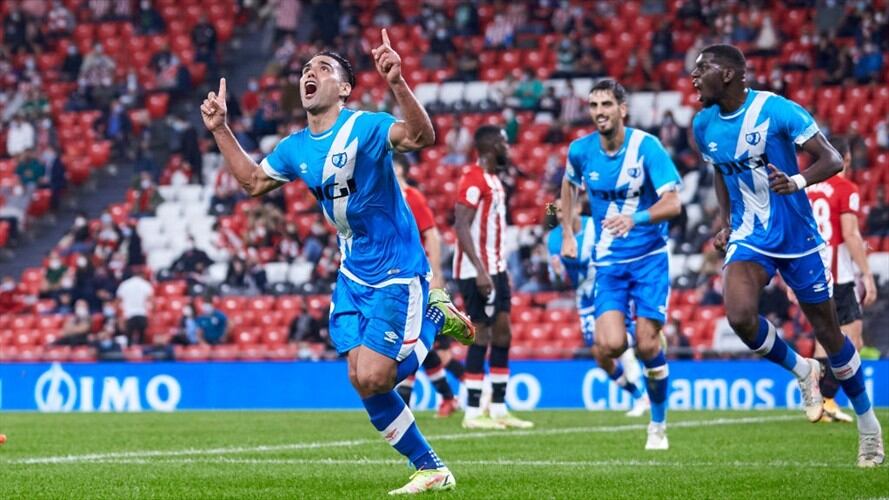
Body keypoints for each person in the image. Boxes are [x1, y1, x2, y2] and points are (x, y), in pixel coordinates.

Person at [200, 30, 475, 494]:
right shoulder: (295, 148)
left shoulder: (365, 127)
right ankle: (430, 468)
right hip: (352, 273)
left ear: (344, 88)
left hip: (397, 269)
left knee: (376, 375)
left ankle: (433, 315)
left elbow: (421, 136)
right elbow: (252, 183)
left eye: (323, 69)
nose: (310, 74)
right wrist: (220, 129)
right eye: (306, 69)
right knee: (359, 378)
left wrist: (397, 82)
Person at [690, 44, 883, 467]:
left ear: (728, 74)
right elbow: (720, 172)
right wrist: (727, 222)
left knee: (830, 334)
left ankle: (869, 425)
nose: (694, 76)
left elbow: (832, 158)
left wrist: (796, 182)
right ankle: (802, 370)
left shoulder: (777, 110)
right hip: (750, 235)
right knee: (740, 316)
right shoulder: (703, 124)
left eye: (702, 69)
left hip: (798, 237)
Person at [560, 79, 681, 450]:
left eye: (606, 105)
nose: (599, 112)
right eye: (594, 105)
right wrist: (567, 234)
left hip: (649, 259)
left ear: (622, 109)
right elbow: (568, 188)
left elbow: (673, 203)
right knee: (610, 346)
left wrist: (636, 218)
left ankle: (657, 425)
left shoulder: (647, 147)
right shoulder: (580, 151)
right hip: (609, 263)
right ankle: (646, 332)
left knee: (646, 346)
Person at [454, 125, 534, 431]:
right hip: (476, 272)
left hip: (496, 269)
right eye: (503, 142)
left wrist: (494, 270)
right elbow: (461, 225)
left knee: (503, 334)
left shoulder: (493, 180)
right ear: (490, 147)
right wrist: (481, 271)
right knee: (482, 334)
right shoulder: (472, 179)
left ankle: (499, 409)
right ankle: (473, 412)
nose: (508, 147)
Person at [545, 200, 650, 417]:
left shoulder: (595, 226)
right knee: (600, 354)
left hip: (609, 289)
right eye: (557, 211)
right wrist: (557, 273)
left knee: (617, 343)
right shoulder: (554, 239)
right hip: (584, 298)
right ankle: (638, 393)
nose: (561, 215)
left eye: (565, 209)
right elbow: (559, 282)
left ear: (577, 208)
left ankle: (643, 393)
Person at [802, 136, 879, 423]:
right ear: (845, 158)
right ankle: (826, 399)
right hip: (839, 276)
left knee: (823, 340)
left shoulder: (807, 189)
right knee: (853, 342)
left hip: (810, 273)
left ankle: (819, 403)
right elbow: (850, 234)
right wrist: (867, 276)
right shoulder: (846, 189)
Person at [392, 153, 462, 418]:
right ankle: (449, 397)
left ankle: (471, 389)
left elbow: (432, 234)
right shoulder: (386, 197)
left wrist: (436, 274)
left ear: (402, 170)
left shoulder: (412, 197)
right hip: (395, 278)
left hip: (416, 278)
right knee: (417, 344)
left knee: (414, 342)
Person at [115, 267, 153, 346]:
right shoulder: (146, 284)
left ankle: (129, 351)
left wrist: (119, 317)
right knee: (141, 341)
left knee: (129, 340)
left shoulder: (124, 284)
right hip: (142, 314)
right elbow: (151, 301)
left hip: (129, 315)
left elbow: (118, 301)